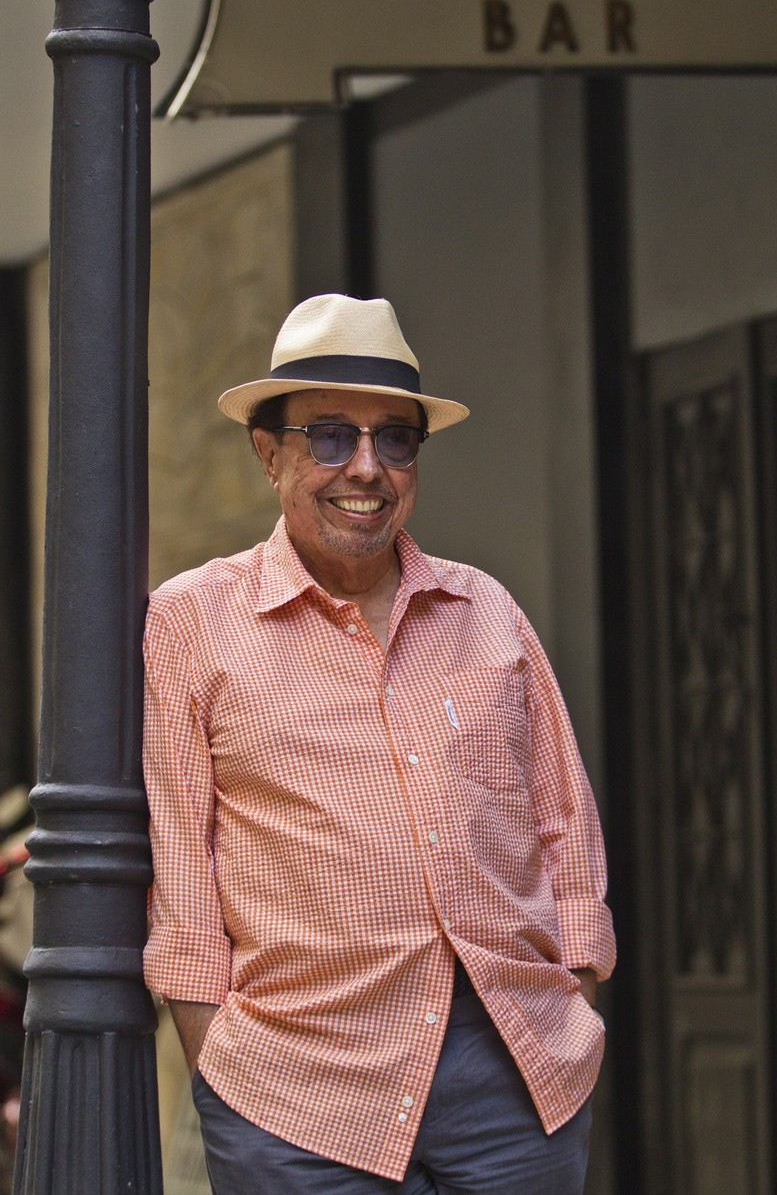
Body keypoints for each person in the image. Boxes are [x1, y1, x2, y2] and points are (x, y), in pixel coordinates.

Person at [143, 293, 616, 1195]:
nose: (366, 467)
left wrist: (576, 990)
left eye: (395, 439)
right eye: (329, 436)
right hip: (298, 1093)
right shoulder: (191, 623)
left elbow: (565, 817)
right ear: (268, 452)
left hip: (513, 1076)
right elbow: (183, 875)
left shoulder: (488, 614)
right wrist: (221, 1060)